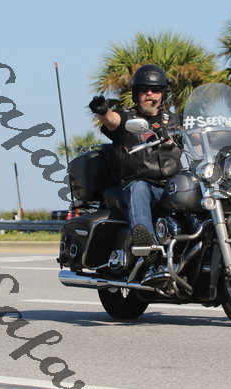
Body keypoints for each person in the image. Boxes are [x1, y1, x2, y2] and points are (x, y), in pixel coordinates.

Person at [88, 64, 182, 256]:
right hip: (138, 186)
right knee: (139, 188)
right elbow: (112, 120)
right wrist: (103, 111)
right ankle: (148, 248)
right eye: (144, 89)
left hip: (171, 186)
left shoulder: (175, 121)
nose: (150, 93)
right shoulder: (128, 118)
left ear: (163, 93)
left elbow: (199, 136)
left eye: (155, 89)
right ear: (136, 93)